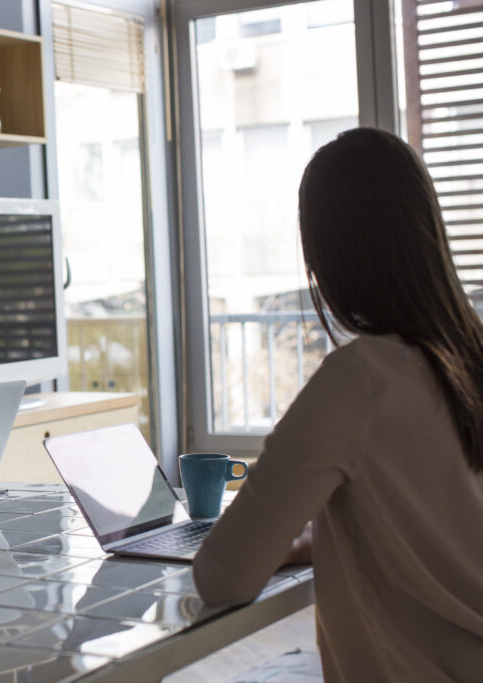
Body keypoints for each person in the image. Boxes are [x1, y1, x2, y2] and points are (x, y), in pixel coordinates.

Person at [192, 128, 483, 681]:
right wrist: (324, 537)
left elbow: (223, 576)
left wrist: (283, 540)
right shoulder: (470, 358)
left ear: (329, 258)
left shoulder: (358, 383)